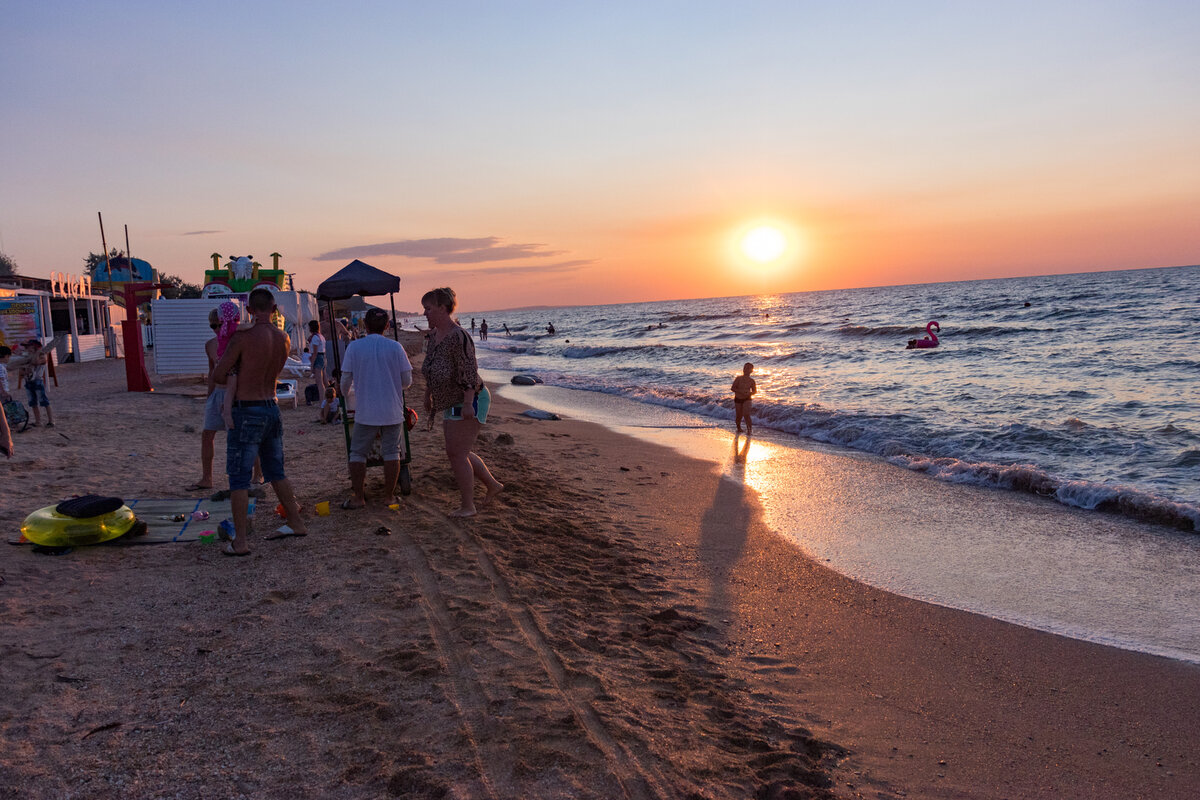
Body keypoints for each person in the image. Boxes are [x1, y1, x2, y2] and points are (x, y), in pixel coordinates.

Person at [212, 288, 308, 556]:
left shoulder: (243, 338)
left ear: (250, 310)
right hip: (271, 406)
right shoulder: (284, 338)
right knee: (276, 471)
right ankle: (296, 521)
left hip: (247, 409)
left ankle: (240, 541)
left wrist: (235, 369)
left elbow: (219, 374)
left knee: (239, 478)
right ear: (275, 309)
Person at [421, 287, 503, 517]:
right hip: (450, 401)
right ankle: (493, 486)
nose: (425, 313)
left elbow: (468, 370)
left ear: (443, 308)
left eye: (428, 308)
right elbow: (431, 368)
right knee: (458, 452)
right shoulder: (435, 336)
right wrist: (428, 393)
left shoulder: (459, 336)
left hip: (471, 399)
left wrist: (468, 403)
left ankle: (468, 507)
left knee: (457, 453)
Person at [338, 308, 414, 508]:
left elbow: (345, 380)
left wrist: (344, 394)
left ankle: (359, 498)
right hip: (392, 409)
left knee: (357, 453)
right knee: (392, 452)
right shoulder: (396, 347)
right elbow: (407, 381)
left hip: (365, 411)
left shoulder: (354, 347)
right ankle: (389, 497)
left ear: (365, 325)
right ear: (387, 326)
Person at [19, 339, 53, 428]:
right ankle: (38, 421)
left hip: (37, 381)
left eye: (28, 347)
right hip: (28, 381)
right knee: (32, 403)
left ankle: (51, 421)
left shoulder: (42, 356)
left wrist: (28, 360)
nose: (26, 349)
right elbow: (21, 372)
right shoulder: (27, 357)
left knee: (44, 401)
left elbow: (37, 362)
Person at [731, 362, 757, 434]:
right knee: (739, 415)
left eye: (748, 368)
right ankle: (739, 428)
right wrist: (740, 391)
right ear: (743, 369)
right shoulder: (738, 378)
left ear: (751, 371)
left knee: (746, 414)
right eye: (745, 368)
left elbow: (755, 391)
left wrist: (750, 393)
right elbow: (732, 388)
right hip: (738, 398)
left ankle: (749, 430)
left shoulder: (752, 381)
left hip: (747, 398)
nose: (746, 370)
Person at [307, 320, 326, 405]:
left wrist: (312, 365)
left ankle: (322, 401)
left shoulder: (315, 338)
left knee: (319, 382)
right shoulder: (321, 336)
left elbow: (315, 353)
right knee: (324, 381)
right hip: (322, 357)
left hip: (318, 357)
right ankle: (328, 399)